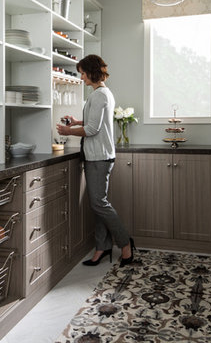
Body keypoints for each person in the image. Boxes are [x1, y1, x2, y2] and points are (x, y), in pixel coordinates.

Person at [56, 54, 135, 268]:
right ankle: (102, 247)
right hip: (100, 156)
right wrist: (76, 121)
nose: (81, 77)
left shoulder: (99, 95)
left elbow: (92, 129)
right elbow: (94, 121)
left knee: (99, 203)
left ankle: (125, 244)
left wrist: (68, 130)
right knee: (99, 204)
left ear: (91, 71)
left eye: (82, 73)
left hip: (99, 157)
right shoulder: (102, 93)